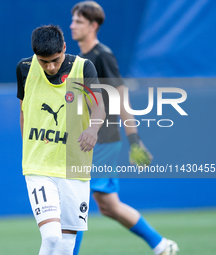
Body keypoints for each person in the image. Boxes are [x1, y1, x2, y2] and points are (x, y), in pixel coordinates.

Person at [70, 2, 179, 255]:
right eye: (73, 20)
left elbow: (120, 97)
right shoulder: (79, 60)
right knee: (108, 205)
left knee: (77, 199)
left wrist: (134, 140)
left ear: (93, 25)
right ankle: (161, 245)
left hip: (103, 140)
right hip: (87, 140)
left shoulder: (102, 55)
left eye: (78, 21)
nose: (72, 25)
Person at [16, 25, 105, 254]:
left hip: (75, 167)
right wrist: (31, 147)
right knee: (53, 238)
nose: (50, 66)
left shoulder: (83, 68)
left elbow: (99, 108)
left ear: (64, 48)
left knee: (66, 245)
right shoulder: (25, 69)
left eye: (55, 60)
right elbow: (24, 111)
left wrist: (93, 130)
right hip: (40, 167)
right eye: (44, 61)